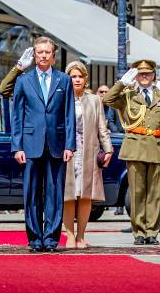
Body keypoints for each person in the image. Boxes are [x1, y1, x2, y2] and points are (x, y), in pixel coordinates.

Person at [11, 37, 75, 253]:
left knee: (54, 193)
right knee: (32, 193)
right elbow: (17, 116)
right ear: (35, 55)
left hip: (57, 144)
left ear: (53, 56)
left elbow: (69, 115)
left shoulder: (63, 80)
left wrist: (70, 145)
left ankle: (51, 238)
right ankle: (34, 237)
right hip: (30, 144)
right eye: (40, 52)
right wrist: (17, 146)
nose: (44, 56)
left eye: (48, 52)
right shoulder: (23, 80)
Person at [103, 59, 160, 245]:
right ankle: (139, 233)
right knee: (137, 193)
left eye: (148, 73)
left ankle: (152, 231)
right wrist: (121, 83)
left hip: (157, 148)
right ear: (136, 76)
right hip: (135, 149)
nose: (144, 76)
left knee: (154, 193)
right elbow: (107, 99)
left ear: (153, 75)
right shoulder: (128, 96)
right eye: (141, 73)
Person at [63, 62, 113, 249]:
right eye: (73, 76)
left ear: (85, 79)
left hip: (88, 152)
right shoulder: (61, 98)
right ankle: (69, 235)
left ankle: (81, 236)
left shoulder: (94, 100)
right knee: (68, 195)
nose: (76, 79)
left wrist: (108, 149)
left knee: (85, 196)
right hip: (67, 153)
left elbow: (102, 127)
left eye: (80, 76)